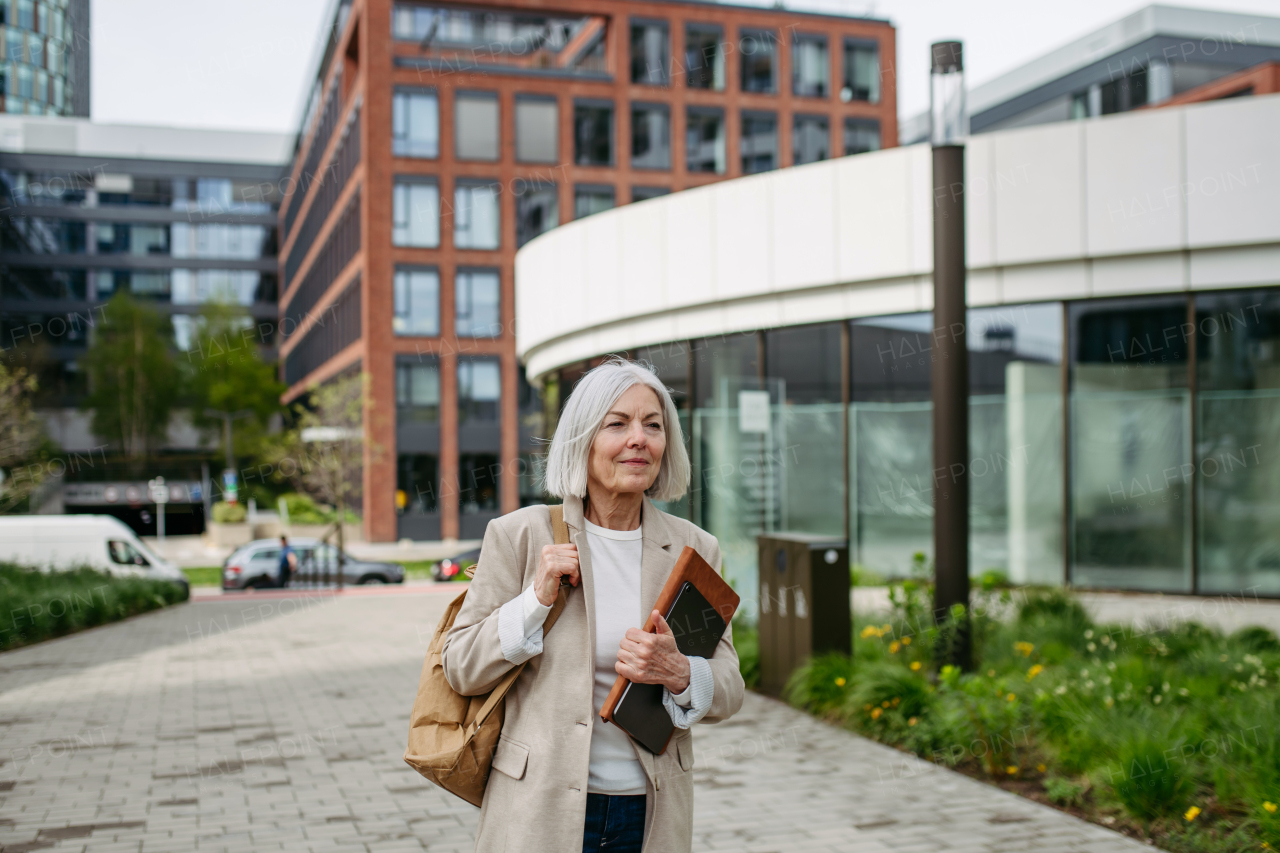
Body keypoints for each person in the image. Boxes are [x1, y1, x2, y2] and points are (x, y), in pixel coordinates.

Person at [442, 357, 744, 853]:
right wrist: (535, 600)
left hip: (651, 812)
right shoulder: (519, 536)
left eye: (653, 425)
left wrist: (680, 672)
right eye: (617, 424)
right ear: (582, 439)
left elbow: (730, 688)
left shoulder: (695, 549)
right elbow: (461, 668)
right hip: (539, 810)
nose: (638, 439)